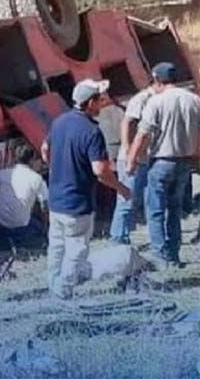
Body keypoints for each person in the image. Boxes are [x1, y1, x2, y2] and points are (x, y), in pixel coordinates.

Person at [41, 79, 131, 300]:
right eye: (99, 101)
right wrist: (121, 188)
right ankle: (64, 290)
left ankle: (53, 283)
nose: (101, 105)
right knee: (77, 248)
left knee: (57, 245)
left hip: (56, 199)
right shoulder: (92, 131)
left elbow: (45, 148)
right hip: (77, 202)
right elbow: (100, 170)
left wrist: (57, 167)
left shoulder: (59, 121)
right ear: (89, 102)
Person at [127, 62, 200, 268]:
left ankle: (160, 256)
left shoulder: (156, 102)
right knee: (175, 210)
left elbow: (143, 134)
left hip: (161, 162)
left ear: (157, 80)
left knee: (156, 210)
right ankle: (174, 255)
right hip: (185, 163)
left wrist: (131, 159)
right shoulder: (194, 100)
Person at [109, 81, 155, 244]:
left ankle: (123, 235)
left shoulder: (153, 99)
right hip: (133, 158)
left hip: (144, 157)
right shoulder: (141, 99)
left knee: (141, 199)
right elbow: (127, 123)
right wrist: (128, 151)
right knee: (127, 199)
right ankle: (118, 237)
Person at [0, 144, 48, 239]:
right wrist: (45, 229)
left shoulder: (3, 173)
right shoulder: (37, 179)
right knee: (38, 225)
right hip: (21, 228)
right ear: (31, 161)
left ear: (15, 158)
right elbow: (45, 207)